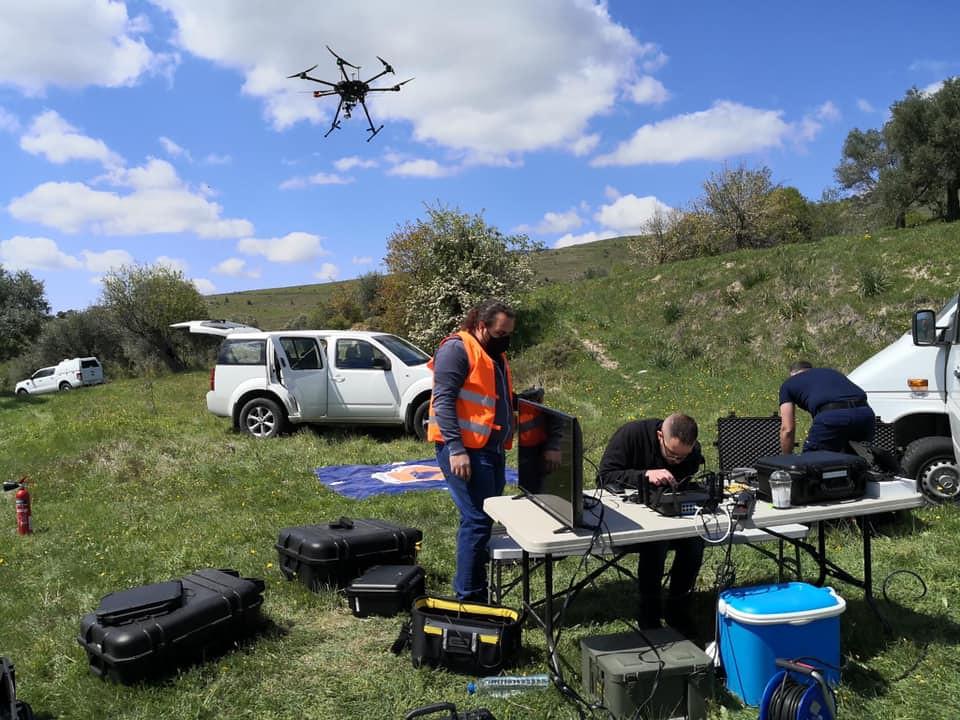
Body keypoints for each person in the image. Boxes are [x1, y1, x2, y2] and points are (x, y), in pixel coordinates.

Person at [427, 299, 517, 602]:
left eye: (509, 334)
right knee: (477, 519)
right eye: (500, 333)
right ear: (481, 326)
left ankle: (475, 588)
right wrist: (456, 449)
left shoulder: (494, 354)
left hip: (491, 449)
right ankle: (469, 598)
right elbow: (443, 400)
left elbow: (491, 398)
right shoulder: (456, 349)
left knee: (482, 519)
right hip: (465, 451)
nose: (505, 340)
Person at [597, 413, 705, 631]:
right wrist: (645, 475)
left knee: (695, 541)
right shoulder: (631, 435)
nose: (676, 461)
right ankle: (649, 612)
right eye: (672, 454)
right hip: (631, 518)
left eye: (682, 457)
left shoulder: (692, 452)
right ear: (659, 436)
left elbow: (686, 478)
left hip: (673, 514)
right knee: (657, 542)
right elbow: (604, 476)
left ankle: (678, 608)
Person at [778, 361, 875, 455]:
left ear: (792, 374)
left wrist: (787, 458)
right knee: (856, 461)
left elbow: (787, 429)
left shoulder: (789, 384)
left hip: (834, 416)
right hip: (866, 414)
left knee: (811, 461)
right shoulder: (830, 372)